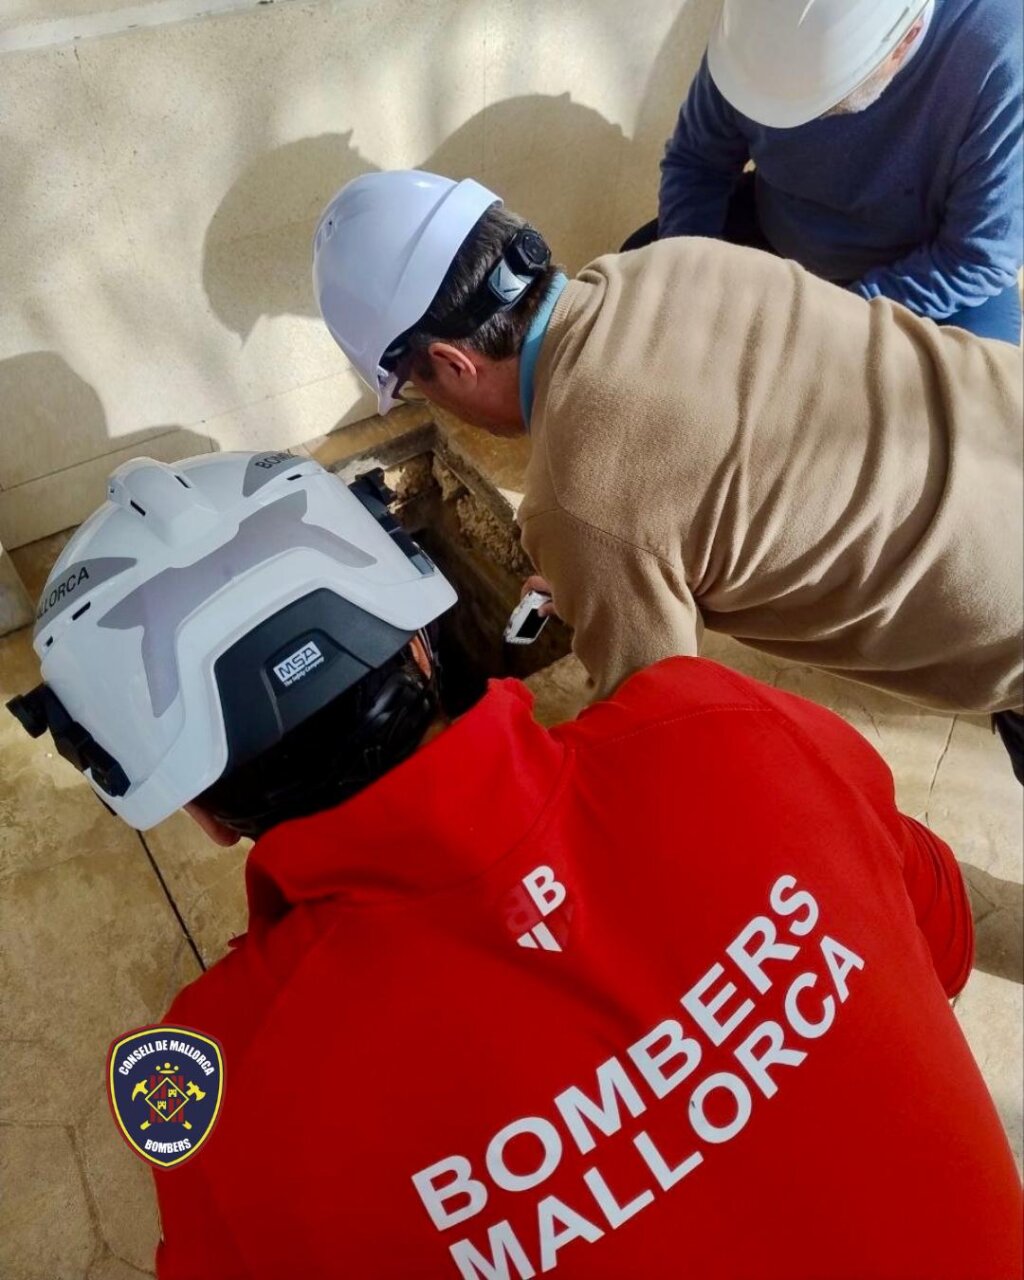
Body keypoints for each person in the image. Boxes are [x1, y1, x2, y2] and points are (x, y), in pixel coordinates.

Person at [8, 449, 1022, 1279]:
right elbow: (932, 943)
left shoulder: (228, 1083)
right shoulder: (723, 726)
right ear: (419, 643)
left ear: (196, 809)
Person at [311, 169, 1024, 779]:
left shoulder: (578, 506)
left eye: (413, 385)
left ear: (455, 364)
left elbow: (664, 727)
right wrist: (612, 571)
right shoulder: (674, 260)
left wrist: (602, 563)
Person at [623, 0, 1024, 345]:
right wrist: (693, 276)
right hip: (777, 228)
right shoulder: (753, 31)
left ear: (905, 39)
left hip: (926, 274)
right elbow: (697, 163)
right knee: (632, 284)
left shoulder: (1001, 52)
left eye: (820, 103)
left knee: (976, 411)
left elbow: (977, 257)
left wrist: (827, 323)